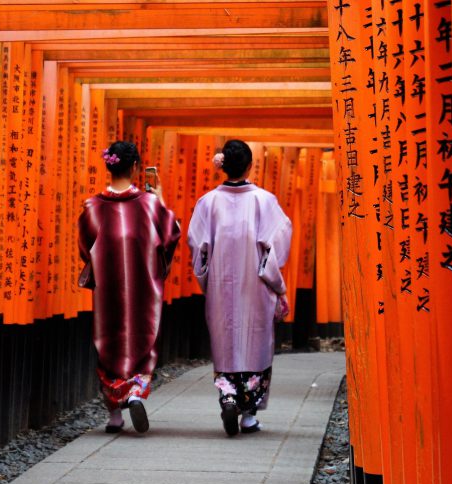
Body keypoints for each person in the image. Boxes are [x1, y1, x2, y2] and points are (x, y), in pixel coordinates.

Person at [187, 139, 292, 436]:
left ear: (223, 166)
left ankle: (228, 395)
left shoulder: (207, 203)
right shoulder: (264, 201)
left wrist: (208, 278)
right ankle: (248, 417)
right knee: (255, 344)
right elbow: (277, 243)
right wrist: (276, 284)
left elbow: (199, 248)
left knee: (226, 344)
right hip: (255, 288)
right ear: (249, 165)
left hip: (221, 289)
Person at [78, 141, 181, 434]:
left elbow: (85, 248)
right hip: (143, 291)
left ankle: (114, 416)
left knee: (109, 344)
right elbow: (171, 234)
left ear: (108, 166)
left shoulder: (93, 207)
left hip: (108, 291)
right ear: (136, 168)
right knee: (141, 341)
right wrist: (159, 198)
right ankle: (135, 392)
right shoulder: (149, 206)